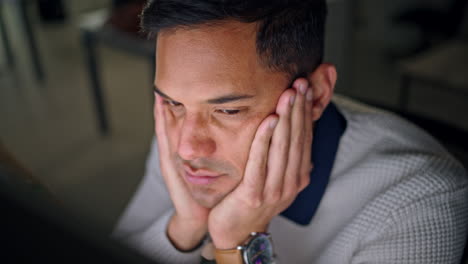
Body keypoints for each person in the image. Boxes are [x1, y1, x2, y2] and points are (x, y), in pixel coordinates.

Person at [112, 0, 468, 263]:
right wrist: (185, 227)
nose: (186, 148)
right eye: (173, 103)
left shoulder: (418, 200)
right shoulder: (181, 134)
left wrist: (240, 244)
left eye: (228, 110)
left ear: (315, 95)